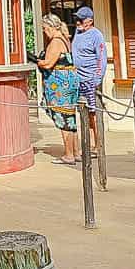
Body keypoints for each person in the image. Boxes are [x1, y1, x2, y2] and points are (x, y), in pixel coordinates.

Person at [37, 15, 82, 164]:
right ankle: (76, 152)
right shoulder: (65, 39)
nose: (44, 32)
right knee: (70, 117)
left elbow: (49, 64)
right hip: (70, 81)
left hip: (60, 84)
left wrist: (37, 61)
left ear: (50, 27)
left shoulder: (56, 42)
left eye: (44, 29)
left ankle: (69, 154)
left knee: (63, 117)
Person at [71, 6, 109, 159]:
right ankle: (88, 143)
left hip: (90, 80)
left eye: (81, 19)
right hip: (78, 79)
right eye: (77, 19)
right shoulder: (77, 33)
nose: (78, 22)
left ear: (90, 21)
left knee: (93, 114)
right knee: (83, 113)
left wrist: (97, 79)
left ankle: (98, 145)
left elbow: (102, 58)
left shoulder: (96, 35)